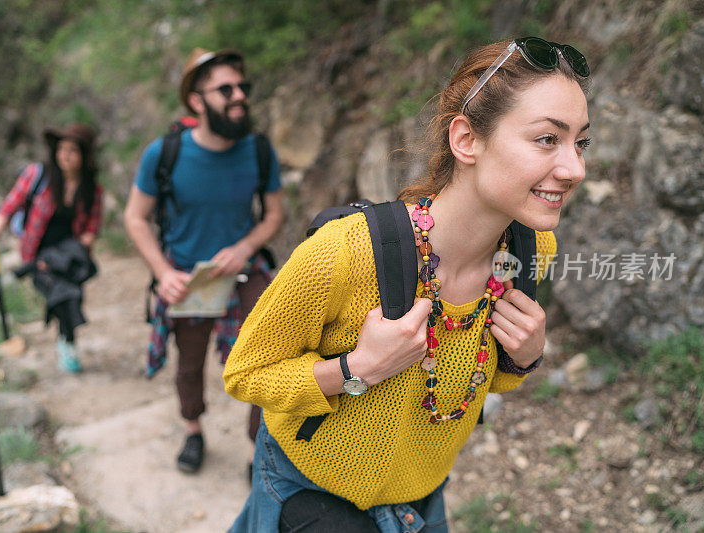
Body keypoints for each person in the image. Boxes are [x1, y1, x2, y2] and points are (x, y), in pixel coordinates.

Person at [223, 37, 590, 532]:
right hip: (308, 487)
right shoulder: (346, 254)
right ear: (467, 141)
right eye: (548, 139)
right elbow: (244, 374)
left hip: (420, 499)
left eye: (580, 142)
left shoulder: (527, 254)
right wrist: (357, 368)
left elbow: (482, 380)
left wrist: (523, 359)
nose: (574, 168)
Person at [124, 48, 284, 474]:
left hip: (244, 272)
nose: (239, 97)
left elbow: (274, 214)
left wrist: (245, 246)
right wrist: (163, 274)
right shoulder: (165, 153)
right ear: (197, 100)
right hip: (187, 278)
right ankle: (193, 430)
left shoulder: (259, 150)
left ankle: (257, 449)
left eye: (242, 87)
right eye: (225, 89)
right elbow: (135, 218)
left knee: (263, 357)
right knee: (189, 361)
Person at [0, 123, 103, 373]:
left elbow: (92, 227)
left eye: (72, 151)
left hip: (69, 255)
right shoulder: (39, 176)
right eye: (61, 149)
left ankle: (66, 341)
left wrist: (68, 253)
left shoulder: (91, 189)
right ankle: (67, 343)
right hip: (37, 254)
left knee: (71, 295)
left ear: (84, 156)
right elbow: (10, 205)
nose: (64, 156)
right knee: (61, 294)